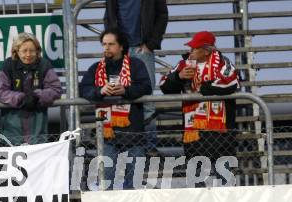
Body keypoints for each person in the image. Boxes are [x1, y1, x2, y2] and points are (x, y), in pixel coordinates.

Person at [159, 31, 239, 186]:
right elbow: (164, 86)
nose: (191, 51)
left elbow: (230, 83)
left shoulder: (224, 63)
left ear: (207, 50)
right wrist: (179, 77)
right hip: (193, 135)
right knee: (196, 186)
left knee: (226, 185)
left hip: (220, 135)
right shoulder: (183, 64)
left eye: (194, 48)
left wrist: (202, 90)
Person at [79, 28, 152, 190]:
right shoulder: (95, 68)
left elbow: (146, 87)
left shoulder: (136, 65)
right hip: (106, 135)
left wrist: (125, 91)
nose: (106, 48)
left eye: (111, 44)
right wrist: (100, 91)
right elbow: (83, 89)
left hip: (133, 133)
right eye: (104, 44)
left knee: (135, 185)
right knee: (107, 183)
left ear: (121, 47)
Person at [105, 0, 168, 155]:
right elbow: (109, 17)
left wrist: (151, 44)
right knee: (118, 95)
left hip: (142, 48)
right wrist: (115, 46)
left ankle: (149, 145)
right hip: (120, 50)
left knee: (146, 99)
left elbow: (162, 15)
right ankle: (122, 144)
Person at [0, 32, 62, 145]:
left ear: (37, 50)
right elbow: (0, 92)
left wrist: (37, 96)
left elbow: (56, 89)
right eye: (24, 51)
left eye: (32, 50)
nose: (28, 54)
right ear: (16, 51)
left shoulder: (44, 64)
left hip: (38, 130)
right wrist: (21, 98)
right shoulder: (8, 65)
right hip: (12, 131)